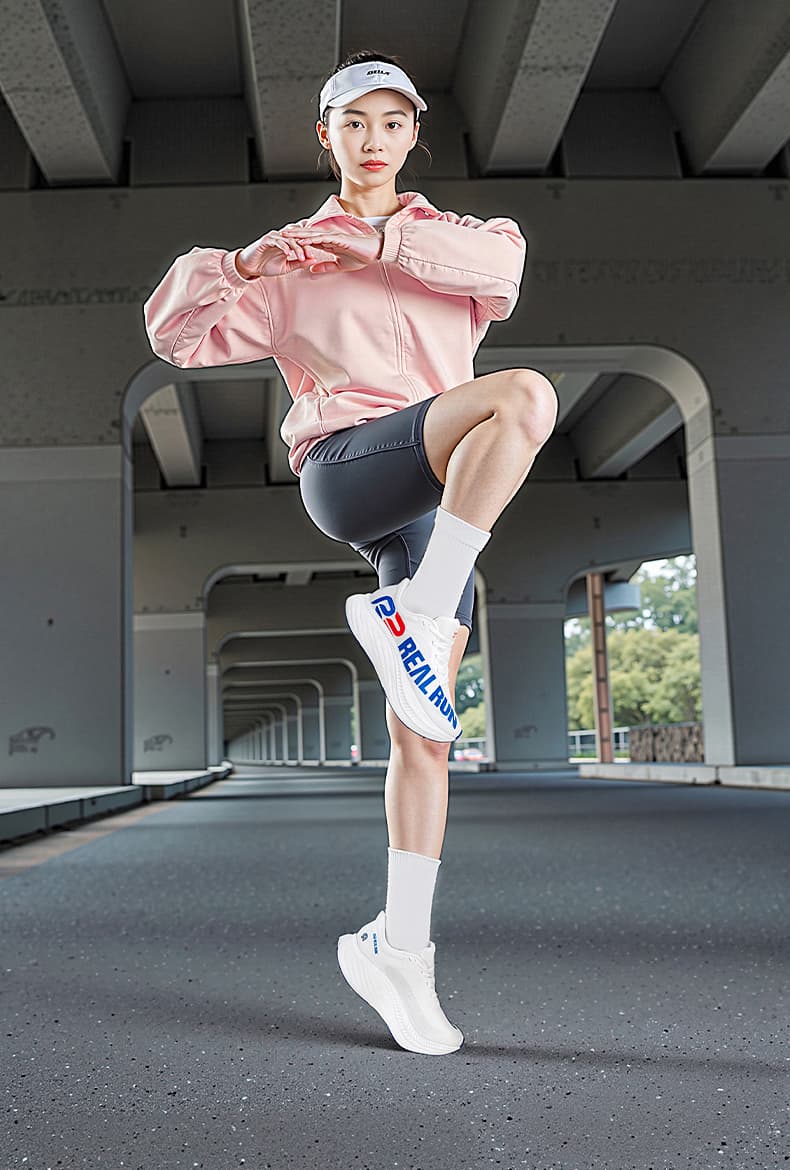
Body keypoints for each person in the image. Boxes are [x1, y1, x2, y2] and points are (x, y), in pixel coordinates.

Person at [142, 50, 558, 1056]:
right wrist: (245, 267)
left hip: (434, 508)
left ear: (414, 136)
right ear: (325, 137)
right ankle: (418, 611)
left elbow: (500, 275)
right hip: (349, 467)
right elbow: (175, 336)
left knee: (426, 734)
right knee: (524, 394)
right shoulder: (292, 263)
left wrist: (374, 243)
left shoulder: (461, 240)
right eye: (354, 124)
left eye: (392, 123)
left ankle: (399, 950)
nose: (374, 140)